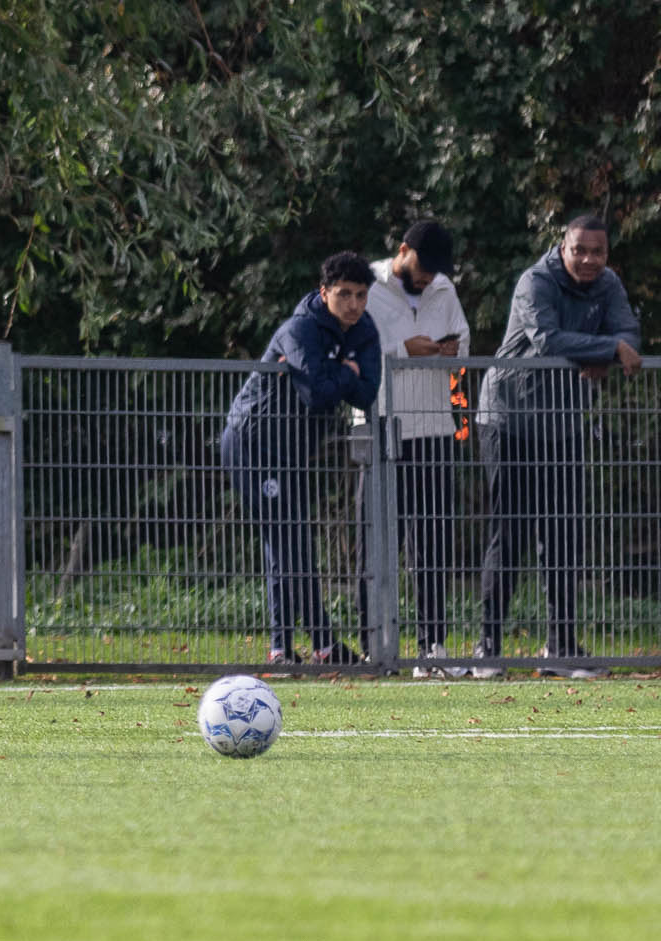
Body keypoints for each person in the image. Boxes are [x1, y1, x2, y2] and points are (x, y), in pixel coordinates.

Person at [472, 215, 642, 680]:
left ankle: (560, 649)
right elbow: (546, 338)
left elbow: (630, 334)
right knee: (510, 535)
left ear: (607, 254)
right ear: (561, 247)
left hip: (564, 425)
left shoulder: (608, 284)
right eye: (579, 250)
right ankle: (487, 649)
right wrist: (605, 350)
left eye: (598, 252)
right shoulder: (535, 282)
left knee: (564, 534)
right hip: (509, 419)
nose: (589, 260)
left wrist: (612, 347)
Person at [219, 252, 381, 668]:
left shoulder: (364, 330)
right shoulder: (300, 329)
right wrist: (346, 372)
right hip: (253, 444)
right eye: (344, 294)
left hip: (291, 452)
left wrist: (337, 374)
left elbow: (366, 395)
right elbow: (320, 394)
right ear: (323, 292)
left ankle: (281, 649)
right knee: (289, 542)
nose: (353, 305)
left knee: (286, 542)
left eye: (361, 295)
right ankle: (324, 644)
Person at [360, 222, 470, 677]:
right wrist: (404, 348)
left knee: (432, 542)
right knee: (376, 541)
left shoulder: (443, 288)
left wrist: (450, 352)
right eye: (423, 267)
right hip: (380, 426)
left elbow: (465, 345)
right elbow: (355, 345)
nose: (428, 278)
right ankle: (374, 650)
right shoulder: (366, 284)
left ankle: (433, 649)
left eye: (435, 271)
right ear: (403, 251)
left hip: (433, 427)